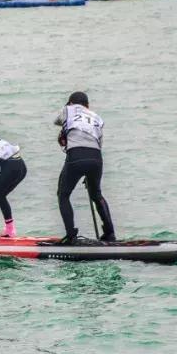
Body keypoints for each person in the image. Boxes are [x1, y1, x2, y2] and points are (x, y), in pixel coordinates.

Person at [54, 92, 115, 243]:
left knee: (63, 194)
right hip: (96, 158)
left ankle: (71, 236)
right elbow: (100, 142)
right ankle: (110, 234)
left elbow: (57, 121)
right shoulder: (97, 117)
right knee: (97, 195)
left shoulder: (68, 109)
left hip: (76, 156)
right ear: (87, 105)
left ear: (71, 103)